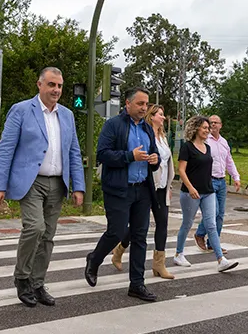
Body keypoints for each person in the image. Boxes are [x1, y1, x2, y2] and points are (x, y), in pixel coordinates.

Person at [0, 67, 85, 308]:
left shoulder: (67, 115)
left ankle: (37, 282)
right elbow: (6, 149)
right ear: (39, 85)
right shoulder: (22, 110)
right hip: (30, 181)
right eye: (52, 85)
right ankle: (22, 278)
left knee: (48, 236)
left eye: (60, 86)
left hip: (57, 182)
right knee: (35, 227)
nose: (56, 90)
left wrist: (79, 187)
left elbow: (74, 152)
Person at [84, 87, 160, 301]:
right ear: (127, 104)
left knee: (139, 237)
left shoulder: (147, 128)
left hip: (143, 189)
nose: (144, 108)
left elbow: (154, 154)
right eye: (140, 104)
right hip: (120, 189)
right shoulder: (113, 125)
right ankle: (94, 259)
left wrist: (155, 160)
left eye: (146, 104)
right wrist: (129, 156)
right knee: (116, 232)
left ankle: (137, 284)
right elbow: (102, 154)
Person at [110, 104, 174, 279]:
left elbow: (167, 164)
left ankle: (159, 264)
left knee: (162, 224)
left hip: (161, 187)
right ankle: (119, 250)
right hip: (147, 186)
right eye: (160, 114)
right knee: (139, 227)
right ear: (151, 116)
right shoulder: (143, 134)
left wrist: (169, 186)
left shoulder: (163, 137)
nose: (163, 118)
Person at [173, 115, 238, 272]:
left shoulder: (207, 147)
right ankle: (178, 254)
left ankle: (221, 259)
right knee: (187, 223)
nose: (207, 130)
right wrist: (190, 187)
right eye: (205, 128)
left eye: (208, 128)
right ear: (196, 128)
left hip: (208, 191)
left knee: (211, 224)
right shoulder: (187, 147)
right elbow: (181, 170)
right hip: (191, 192)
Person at [194, 114, 241, 254]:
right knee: (212, 212)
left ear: (221, 125)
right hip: (209, 180)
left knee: (220, 214)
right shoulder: (205, 141)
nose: (213, 125)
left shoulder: (223, 142)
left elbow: (229, 161)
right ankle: (200, 234)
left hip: (221, 181)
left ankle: (213, 243)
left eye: (216, 123)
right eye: (211, 122)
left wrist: (236, 177)